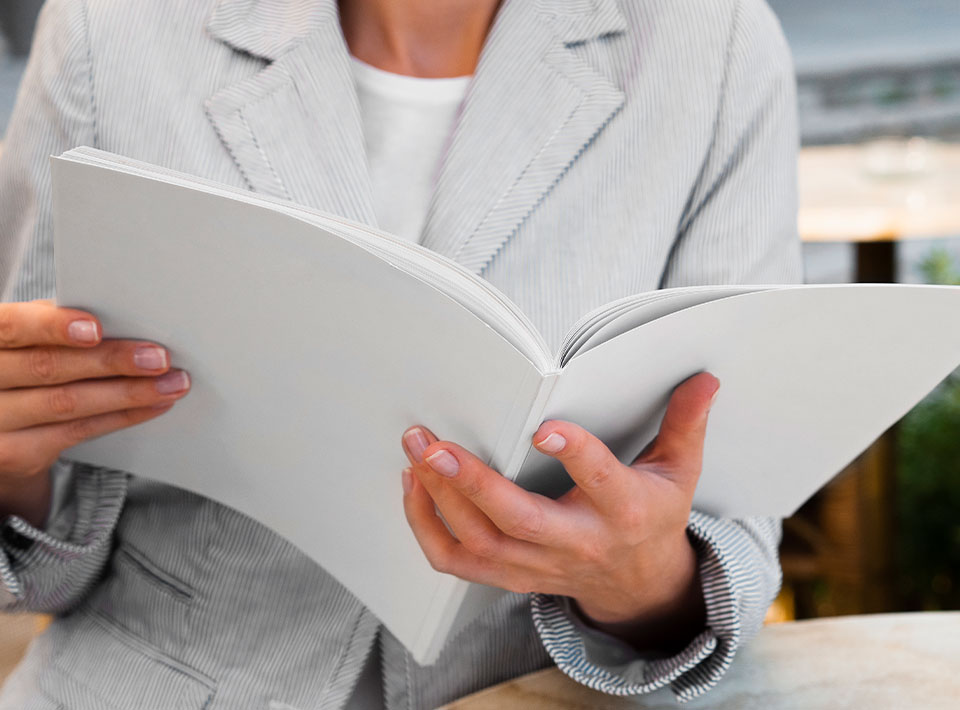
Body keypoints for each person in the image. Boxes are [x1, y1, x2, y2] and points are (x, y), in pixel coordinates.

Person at [0, 0, 802, 707]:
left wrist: (639, 583)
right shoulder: (111, 30)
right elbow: (41, 559)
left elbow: (731, 525)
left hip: (542, 693)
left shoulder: (714, 44)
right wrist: (15, 462)